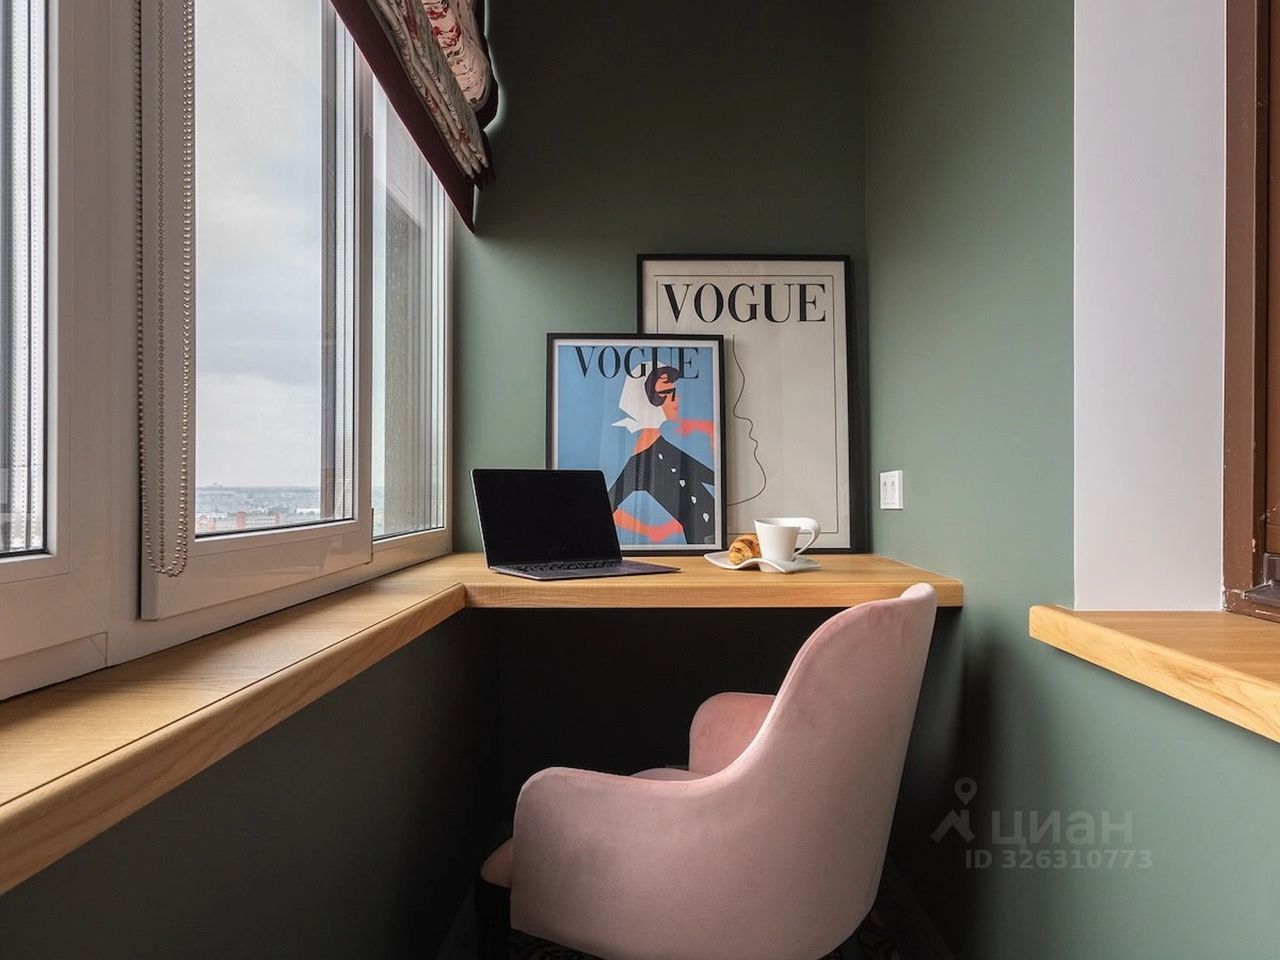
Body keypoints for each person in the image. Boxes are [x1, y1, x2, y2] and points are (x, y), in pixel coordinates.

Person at [609, 364, 717, 545]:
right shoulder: (639, 463)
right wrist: (651, 531)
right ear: (645, 402)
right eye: (667, 392)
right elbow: (606, 506)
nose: (676, 398)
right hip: (701, 546)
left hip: (712, 544)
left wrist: (707, 428)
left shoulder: (665, 448)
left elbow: (715, 481)